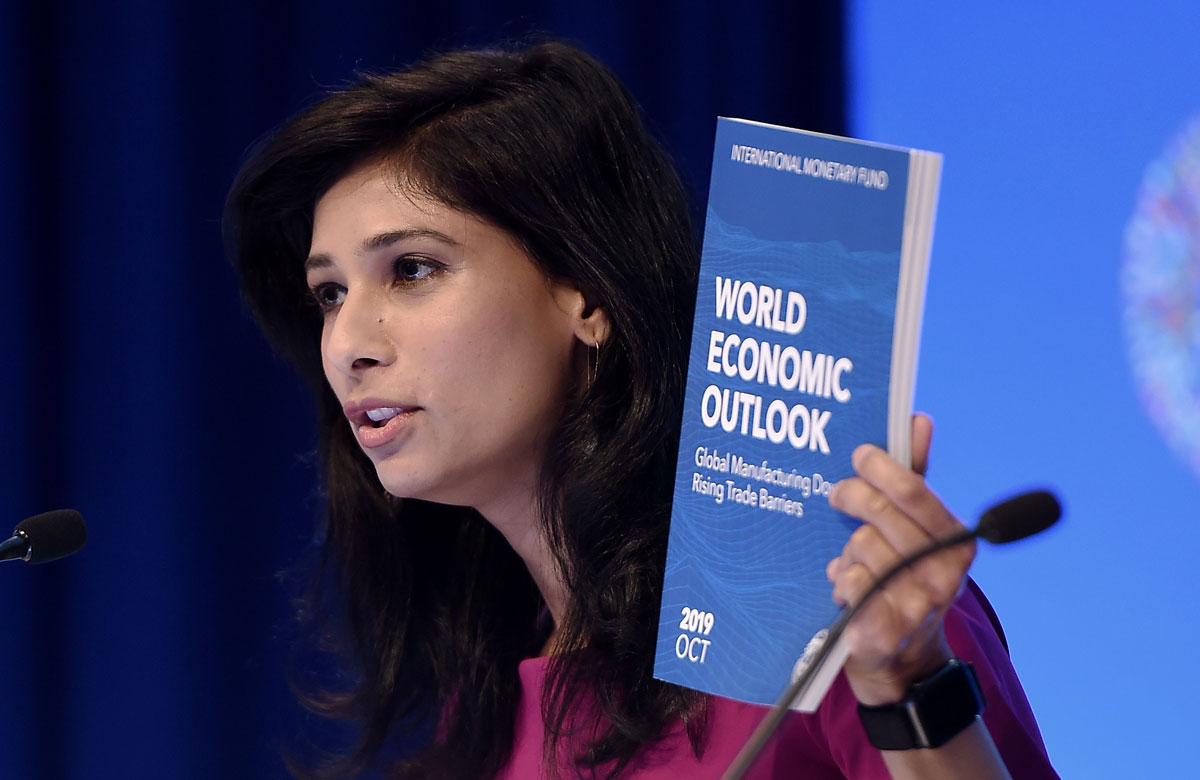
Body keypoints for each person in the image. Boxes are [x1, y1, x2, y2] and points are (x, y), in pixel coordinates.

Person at [224, 42, 1057, 779]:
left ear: (584, 292)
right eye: (329, 293)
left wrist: (909, 685)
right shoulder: (484, 711)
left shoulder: (826, 605)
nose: (345, 345)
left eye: (411, 270)